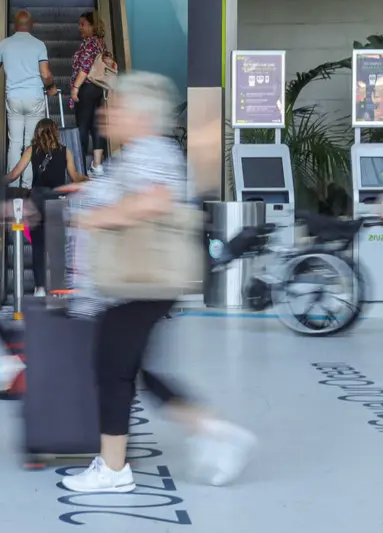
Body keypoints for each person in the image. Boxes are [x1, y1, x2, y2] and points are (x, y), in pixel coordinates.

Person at [61, 72, 254, 493]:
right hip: (134, 282)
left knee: (113, 370)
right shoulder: (139, 152)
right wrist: (86, 193)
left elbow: (154, 200)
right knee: (137, 369)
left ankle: (113, 470)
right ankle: (215, 432)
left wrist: (96, 216)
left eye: (115, 107)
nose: (106, 113)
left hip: (139, 280)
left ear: (138, 114)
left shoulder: (151, 150)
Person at [6, 117, 86, 297]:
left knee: (38, 246)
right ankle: (58, 289)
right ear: (55, 132)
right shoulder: (65, 151)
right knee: (57, 246)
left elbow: (14, 174)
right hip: (57, 200)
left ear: (38, 132)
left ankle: (40, 288)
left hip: (36, 200)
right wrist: (89, 179)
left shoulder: (32, 150)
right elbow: (74, 176)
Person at [0, 10, 56, 188]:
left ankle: (12, 186)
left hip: (14, 98)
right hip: (34, 97)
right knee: (31, 143)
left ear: (15, 25)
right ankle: (26, 187)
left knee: (15, 142)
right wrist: (51, 86)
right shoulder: (39, 45)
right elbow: (45, 74)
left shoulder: (5, 44)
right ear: (31, 25)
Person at [70, 11, 112, 177]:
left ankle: (79, 166)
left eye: (83, 24)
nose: (80, 27)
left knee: (82, 126)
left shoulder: (89, 44)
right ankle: (97, 165)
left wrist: (75, 87)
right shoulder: (101, 43)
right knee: (96, 125)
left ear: (92, 25)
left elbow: (85, 68)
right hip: (98, 88)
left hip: (86, 88)